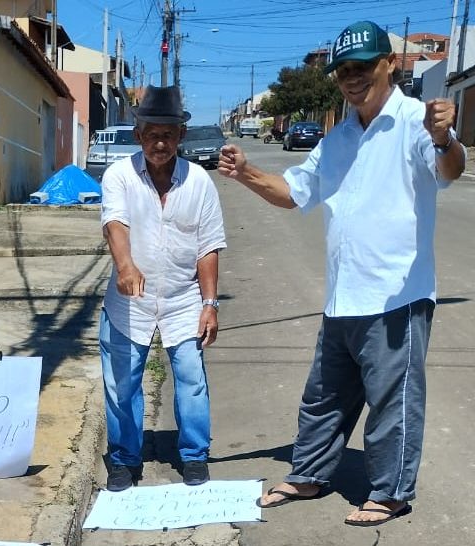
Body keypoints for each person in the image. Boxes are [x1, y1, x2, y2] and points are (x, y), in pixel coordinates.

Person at [218, 21, 465, 526]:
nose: (352, 79)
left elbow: (450, 169)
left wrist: (444, 140)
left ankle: (391, 491)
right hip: (342, 296)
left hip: (398, 296)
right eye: (343, 71)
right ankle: (308, 473)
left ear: (389, 65)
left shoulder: (417, 121)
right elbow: (294, 193)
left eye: (363, 68)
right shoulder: (339, 137)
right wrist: (245, 171)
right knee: (324, 397)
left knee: (392, 404)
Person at [99, 85, 227, 490]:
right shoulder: (118, 175)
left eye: (168, 134)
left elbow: (208, 246)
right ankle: (124, 459)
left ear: (181, 137)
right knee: (122, 384)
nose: (160, 142)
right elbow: (114, 223)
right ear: (138, 135)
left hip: (183, 299)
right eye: (152, 133)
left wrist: (209, 303)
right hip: (128, 302)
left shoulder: (200, 183)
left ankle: (193, 455)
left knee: (191, 380)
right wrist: (126, 266)